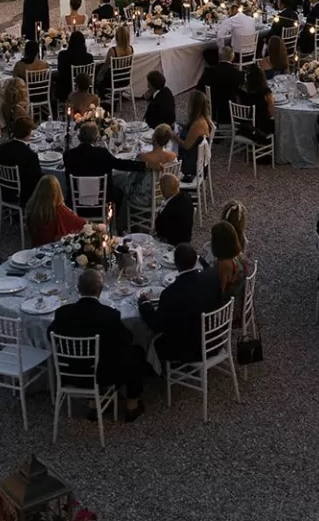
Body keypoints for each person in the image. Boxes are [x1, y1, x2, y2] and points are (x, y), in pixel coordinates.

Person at [48, 269, 146, 421]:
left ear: (78, 289)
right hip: (101, 375)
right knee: (136, 352)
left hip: (69, 371)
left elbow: (51, 336)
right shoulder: (109, 315)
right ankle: (132, 406)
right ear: (100, 291)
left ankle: (94, 404)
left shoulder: (63, 313)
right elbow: (127, 339)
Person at [140, 244, 224, 366]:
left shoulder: (171, 293)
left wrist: (145, 304)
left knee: (156, 342)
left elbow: (156, 325)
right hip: (214, 338)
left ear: (176, 264)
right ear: (195, 261)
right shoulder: (212, 278)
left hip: (189, 349)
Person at [64, 121, 145, 215]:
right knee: (119, 192)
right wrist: (143, 165)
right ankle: (113, 221)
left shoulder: (68, 156)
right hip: (102, 202)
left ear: (79, 138)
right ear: (97, 138)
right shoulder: (102, 154)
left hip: (76, 203)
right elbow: (121, 164)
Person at [0, 113, 45, 205]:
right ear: (28, 134)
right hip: (22, 194)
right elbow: (37, 179)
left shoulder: (1, 148)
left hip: (4, 189)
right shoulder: (30, 155)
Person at [25, 174, 85, 246]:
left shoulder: (32, 207)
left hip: (36, 247)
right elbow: (80, 224)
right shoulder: (59, 210)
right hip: (54, 248)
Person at [176, 90, 214, 175]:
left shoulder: (198, 124)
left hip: (192, 163)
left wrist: (174, 137)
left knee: (167, 155)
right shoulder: (201, 118)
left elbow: (186, 145)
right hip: (194, 157)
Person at [236, 65, 276, 146]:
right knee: (279, 125)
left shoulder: (243, 91)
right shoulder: (266, 92)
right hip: (261, 128)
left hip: (246, 126)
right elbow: (272, 113)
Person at [209, 219, 250, 298]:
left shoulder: (224, 264)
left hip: (229, 298)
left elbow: (221, 290)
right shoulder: (238, 254)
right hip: (240, 288)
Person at [205, 45, 243, 125]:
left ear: (219, 57)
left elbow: (200, 89)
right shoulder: (238, 74)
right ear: (232, 57)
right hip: (231, 110)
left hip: (214, 107)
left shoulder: (209, 72)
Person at [154, 172, 195, 245]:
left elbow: (158, 228)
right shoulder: (187, 197)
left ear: (163, 190)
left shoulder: (169, 210)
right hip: (186, 239)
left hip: (172, 243)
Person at [54, 30, 95, 103]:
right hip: (85, 89)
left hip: (66, 89)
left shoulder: (63, 55)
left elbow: (60, 72)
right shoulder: (89, 57)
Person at [97, 24, 134, 94]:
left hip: (114, 80)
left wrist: (98, 77)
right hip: (126, 79)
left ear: (116, 37)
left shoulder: (113, 51)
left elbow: (105, 67)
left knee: (98, 71)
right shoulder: (131, 49)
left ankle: (102, 97)